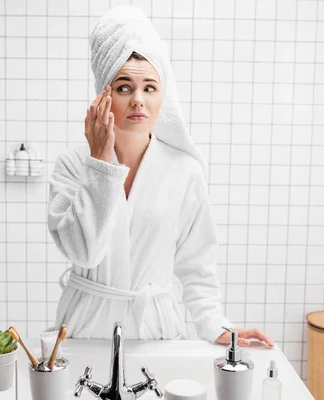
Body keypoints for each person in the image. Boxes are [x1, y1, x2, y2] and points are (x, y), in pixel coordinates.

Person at [47, 5, 273, 349]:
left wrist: (215, 325)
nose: (138, 100)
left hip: (155, 329)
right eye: (124, 87)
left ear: (162, 96)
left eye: (150, 88)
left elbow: (196, 261)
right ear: (104, 95)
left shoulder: (184, 170)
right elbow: (85, 254)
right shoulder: (73, 167)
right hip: (84, 328)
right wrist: (99, 164)